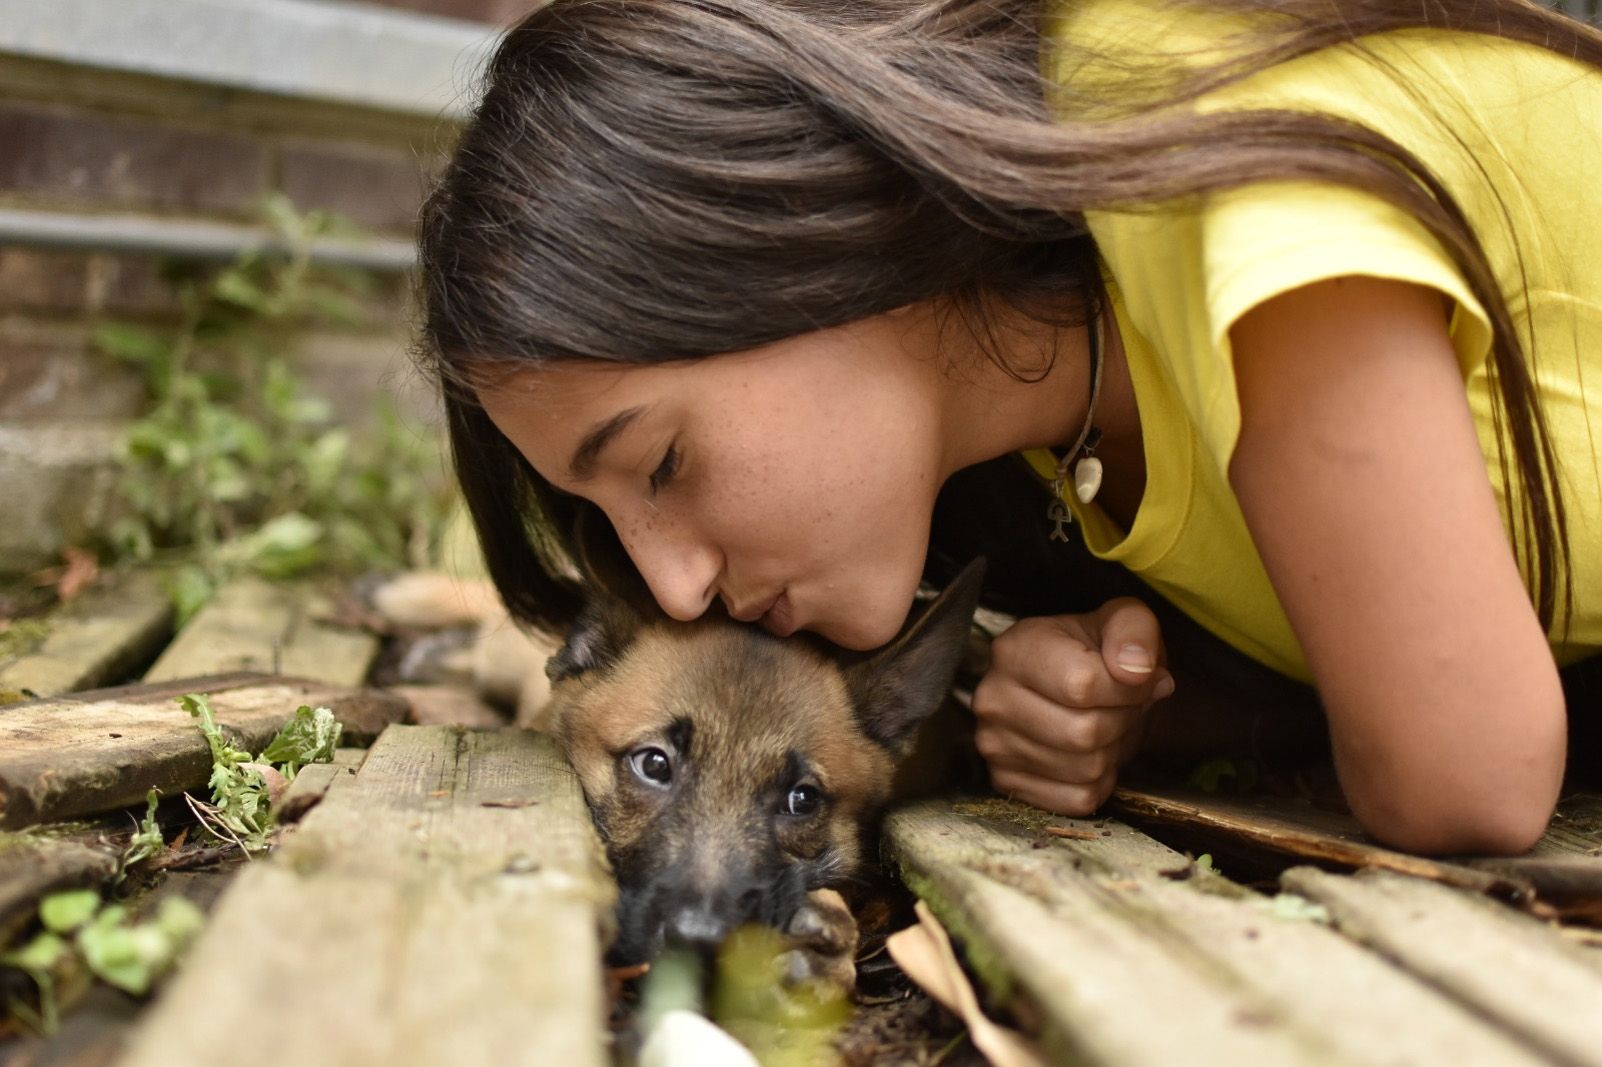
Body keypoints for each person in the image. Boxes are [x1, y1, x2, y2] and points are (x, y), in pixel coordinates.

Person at [414, 0, 1602, 856]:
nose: (675, 587)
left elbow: (1467, 780)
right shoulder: (1039, 441)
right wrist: (1143, 714)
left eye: (663, 462)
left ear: (790, 241)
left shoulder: (1199, 124)